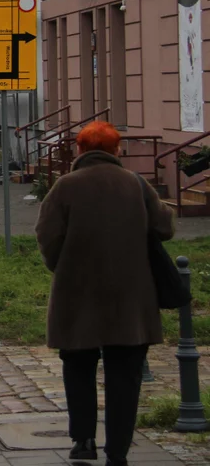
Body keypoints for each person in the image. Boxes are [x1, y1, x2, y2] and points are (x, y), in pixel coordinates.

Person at [35, 121, 174, 466]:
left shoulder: (65, 186)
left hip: (76, 293)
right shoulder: (135, 183)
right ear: (117, 150)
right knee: (125, 373)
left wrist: (63, 266)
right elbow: (164, 227)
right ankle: (119, 451)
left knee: (78, 365)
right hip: (130, 295)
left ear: (79, 151)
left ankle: (83, 441)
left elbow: (47, 235)